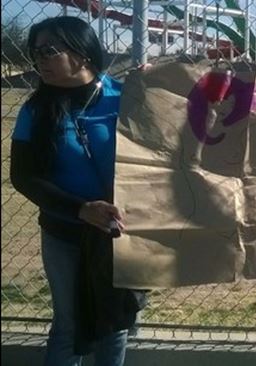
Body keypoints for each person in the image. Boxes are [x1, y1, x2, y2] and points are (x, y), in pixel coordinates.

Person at [10, 16, 145, 366]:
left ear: (83, 53)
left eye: (50, 51)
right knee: (68, 325)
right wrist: (81, 209)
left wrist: (159, 85)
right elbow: (24, 177)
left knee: (114, 324)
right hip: (64, 232)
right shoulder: (36, 109)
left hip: (121, 234)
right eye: (35, 52)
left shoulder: (127, 97)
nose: (39, 60)